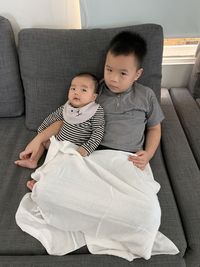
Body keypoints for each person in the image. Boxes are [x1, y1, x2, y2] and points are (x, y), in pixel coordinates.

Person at [16, 30, 164, 174]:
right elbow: (66, 117)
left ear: (137, 74)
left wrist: (148, 154)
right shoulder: (92, 91)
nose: (113, 78)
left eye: (123, 73)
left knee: (139, 197)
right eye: (109, 69)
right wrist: (39, 139)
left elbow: (154, 128)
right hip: (95, 152)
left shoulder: (146, 95)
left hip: (129, 158)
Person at [15, 73, 105, 190]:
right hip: (56, 143)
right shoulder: (66, 107)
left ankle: (41, 179)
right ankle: (33, 160)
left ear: (93, 97)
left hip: (74, 148)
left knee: (62, 164)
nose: (76, 92)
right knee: (43, 140)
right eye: (73, 88)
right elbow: (53, 118)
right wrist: (42, 131)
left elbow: (98, 133)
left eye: (83, 90)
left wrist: (85, 149)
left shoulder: (96, 111)